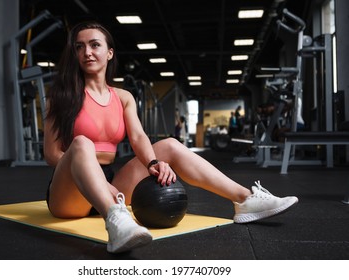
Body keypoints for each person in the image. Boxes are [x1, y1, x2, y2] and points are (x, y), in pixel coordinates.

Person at [44, 21, 298, 254]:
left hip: (112, 180)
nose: (87, 52)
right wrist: (96, 178)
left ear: (109, 52)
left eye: (94, 45)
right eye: (80, 47)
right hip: (70, 192)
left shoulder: (122, 98)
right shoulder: (62, 96)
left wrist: (153, 163)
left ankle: (245, 199)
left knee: (170, 145)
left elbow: (138, 137)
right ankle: (117, 223)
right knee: (81, 143)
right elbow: (53, 154)